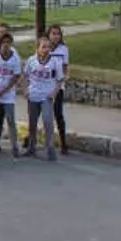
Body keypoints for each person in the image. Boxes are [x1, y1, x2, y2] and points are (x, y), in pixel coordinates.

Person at [23, 36, 65, 161]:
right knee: (32, 122)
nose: (46, 50)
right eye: (43, 47)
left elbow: (59, 79)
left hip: (46, 96)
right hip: (33, 95)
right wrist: (25, 90)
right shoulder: (31, 60)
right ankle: (31, 147)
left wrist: (54, 93)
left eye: (48, 47)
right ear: (37, 48)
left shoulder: (55, 62)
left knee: (47, 121)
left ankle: (50, 148)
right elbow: (24, 75)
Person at [46, 24, 70, 154]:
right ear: (48, 35)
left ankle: (63, 142)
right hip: (44, 85)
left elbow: (65, 67)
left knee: (58, 114)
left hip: (58, 85)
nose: (55, 36)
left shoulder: (63, 49)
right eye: (53, 33)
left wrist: (62, 81)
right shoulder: (45, 48)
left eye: (58, 34)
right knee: (40, 113)